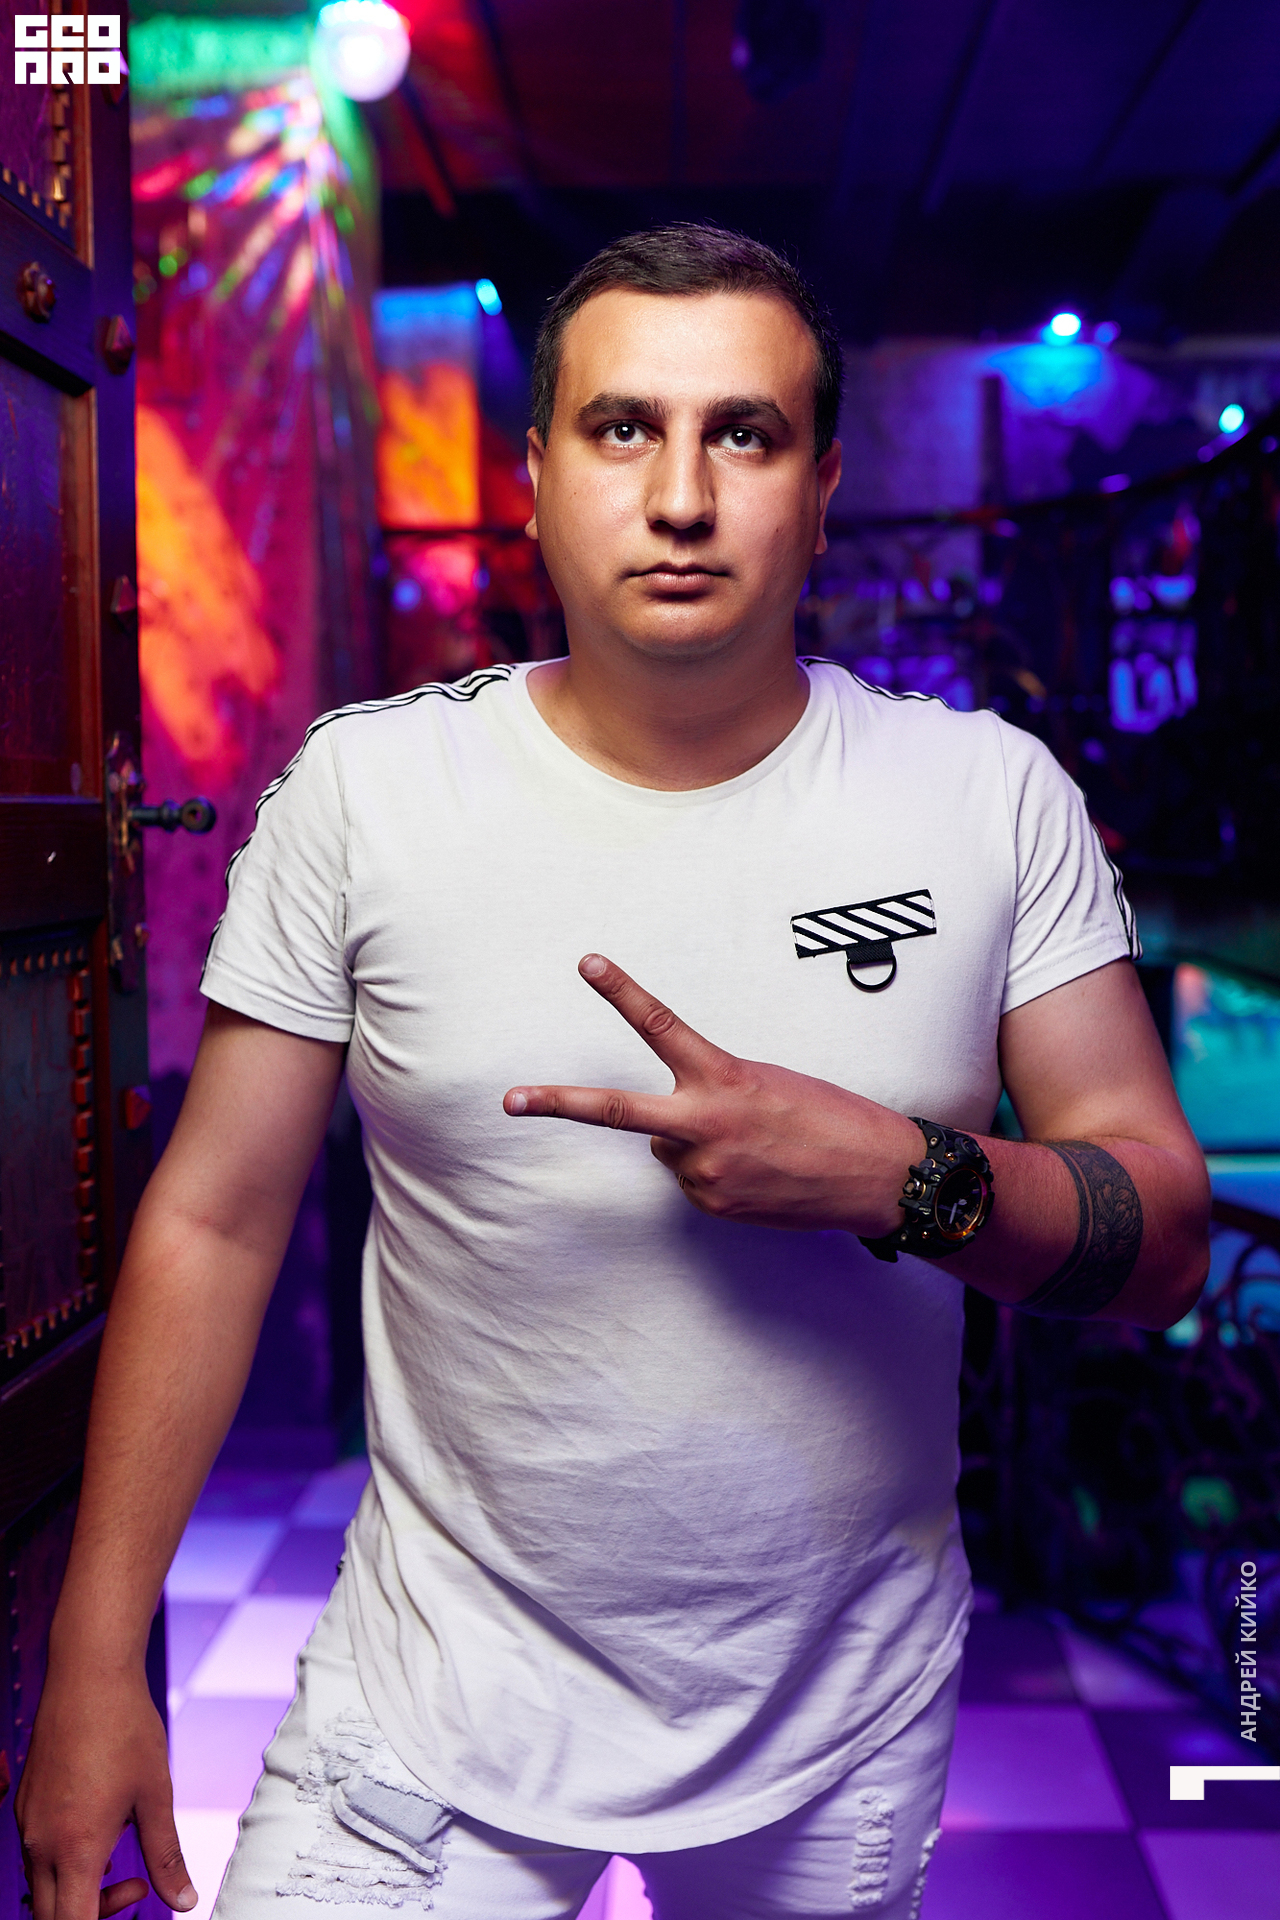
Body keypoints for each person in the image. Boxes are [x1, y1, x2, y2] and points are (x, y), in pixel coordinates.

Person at [18, 225, 1209, 1920]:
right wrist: (91, 1657)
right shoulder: (370, 796)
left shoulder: (986, 798)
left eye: (746, 433)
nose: (681, 497)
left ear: (822, 489)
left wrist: (903, 1175)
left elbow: (1165, 1240)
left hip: (837, 1722)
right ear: (537, 476)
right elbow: (213, 1224)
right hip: (428, 1709)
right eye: (624, 426)